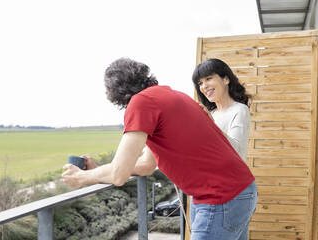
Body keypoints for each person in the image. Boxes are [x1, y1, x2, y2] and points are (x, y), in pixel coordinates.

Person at [62, 57, 257, 240]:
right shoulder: (172, 96)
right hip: (241, 191)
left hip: (221, 198)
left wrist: (81, 177)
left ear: (115, 93)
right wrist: (99, 171)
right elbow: (146, 165)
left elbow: (119, 175)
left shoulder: (141, 103)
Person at [192, 58, 251, 162]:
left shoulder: (240, 110)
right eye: (200, 83)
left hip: (232, 177)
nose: (204, 86)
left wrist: (211, 124)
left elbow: (236, 151)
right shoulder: (211, 114)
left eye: (208, 79)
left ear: (226, 79)